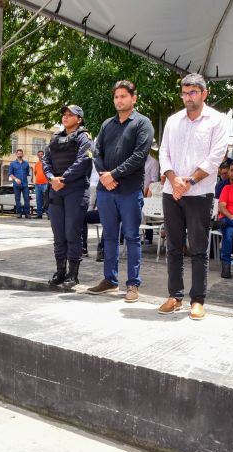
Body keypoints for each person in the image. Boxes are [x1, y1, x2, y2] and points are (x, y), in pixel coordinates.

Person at [157, 73, 227, 319]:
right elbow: (163, 152)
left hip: (199, 192)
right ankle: (174, 296)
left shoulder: (216, 121)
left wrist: (191, 180)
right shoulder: (173, 120)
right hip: (172, 191)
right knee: (174, 247)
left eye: (193, 92)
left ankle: (197, 301)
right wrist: (173, 178)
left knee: (198, 248)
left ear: (204, 94)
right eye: (184, 93)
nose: (188, 97)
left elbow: (216, 156)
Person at [87, 80, 154, 303]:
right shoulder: (107, 125)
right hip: (107, 191)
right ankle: (110, 280)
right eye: (116, 97)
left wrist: (112, 175)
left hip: (129, 190)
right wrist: (105, 176)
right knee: (109, 236)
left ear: (134, 98)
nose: (119, 100)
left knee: (132, 237)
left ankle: (133, 284)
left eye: (123, 96)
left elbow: (139, 156)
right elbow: (97, 153)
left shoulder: (143, 124)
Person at [43, 104, 93, 289]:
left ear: (79, 119)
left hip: (75, 190)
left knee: (72, 232)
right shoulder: (55, 137)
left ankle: (73, 274)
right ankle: (60, 271)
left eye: (70, 115)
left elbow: (84, 160)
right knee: (58, 234)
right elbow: (45, 161)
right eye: (64, 114)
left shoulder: (84, 137)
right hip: (56, 189)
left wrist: (63, 178)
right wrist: (51, 178)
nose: (65, 117)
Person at [8, 149, 31, 218]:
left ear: (22, 154)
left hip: (25, 184)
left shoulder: (26, 163)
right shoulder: (12, 163)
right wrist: (16, 179)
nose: (20, 154)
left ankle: (27, 213)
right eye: (18, 153)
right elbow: (10, 174)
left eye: (21, 153)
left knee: (26, 199)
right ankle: (19, 213)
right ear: (16, 154)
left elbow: (27, 173)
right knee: (17, 199)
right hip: (16, 185)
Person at [33, 150, 48, 218]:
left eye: (41, 154)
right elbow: (35, 173)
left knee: (46, 199)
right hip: (37, 184)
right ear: (37, 156)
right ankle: (39, 214)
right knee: (38, 200)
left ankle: (49, 214)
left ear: (44, 155)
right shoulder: (36, 164)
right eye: (39, 154)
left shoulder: (47, 163)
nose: (40, 156)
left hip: (45, 184)